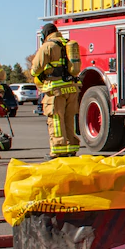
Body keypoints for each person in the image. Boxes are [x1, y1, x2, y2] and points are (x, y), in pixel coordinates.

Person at [31, 23, 81, 158]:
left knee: (56, 120)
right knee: (68, 119)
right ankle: (71, 147)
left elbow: (35, 68)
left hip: (55, 90)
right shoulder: (68, 43)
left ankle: (58, 149)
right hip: (71, 88)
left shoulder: (48, 46)